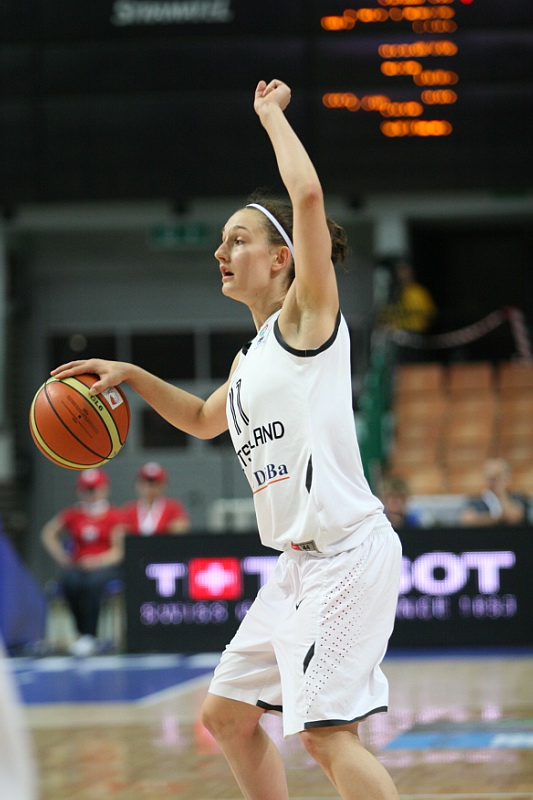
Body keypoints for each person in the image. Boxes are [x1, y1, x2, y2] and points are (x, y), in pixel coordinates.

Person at [50, 79, 402, 800]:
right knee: (227, 717)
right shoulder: (251, 359)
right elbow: (202, 419)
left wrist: (271, 116)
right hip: (297, 567)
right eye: (220, 241)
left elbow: (307, 198)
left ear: (281, 259)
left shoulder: (307, 318)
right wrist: (131, 374)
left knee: (326, 735)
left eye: (237, 239)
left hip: (345, 554)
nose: (221, 250)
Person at [40, 468, 124, 657]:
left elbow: (119, 550)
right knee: (69, 581)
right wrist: (61, 556)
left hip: (104, 566)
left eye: (93, 489)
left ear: (103, 489)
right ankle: (82, 633)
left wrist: (98, 561)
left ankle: (91, 635)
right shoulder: (73, 514)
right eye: (86, 489)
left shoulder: (113, 515)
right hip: (78, 566)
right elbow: (48, 533)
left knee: (93, 584)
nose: (89, 494)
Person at [120, 461, 190, 535]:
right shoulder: (128, 510)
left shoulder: (173, 508)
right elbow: (120, 530)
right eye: (145, 484)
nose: (150, 489)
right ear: (138, 485)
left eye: (155, 484)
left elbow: (181, 526)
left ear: (163, 485)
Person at [459, 457, 528, 527]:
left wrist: (501, 494)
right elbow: (467, 519)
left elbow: (514, 518)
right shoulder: (477, 500)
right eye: (490, 477)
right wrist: (497, 518)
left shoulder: (518, 497)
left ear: (507, 477)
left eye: (498, 476)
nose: (493, 481)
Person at [378, 259, 436, 334]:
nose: (402, 275)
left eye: (405, 271)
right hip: (396, 334)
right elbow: (383, 316)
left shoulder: (419, 292)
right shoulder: (394, 294)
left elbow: (431, 314)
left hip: (416, 333)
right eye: (400, 271)